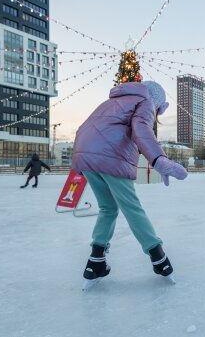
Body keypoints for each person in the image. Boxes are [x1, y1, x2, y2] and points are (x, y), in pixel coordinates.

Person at [72, 80, 188, 289]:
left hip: (85, 155)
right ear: (157, 102)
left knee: (108, 208)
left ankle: (95, 262)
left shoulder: (110, 102)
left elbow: (84, 127)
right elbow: (141, 129)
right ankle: (159, 259)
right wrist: (158, 160)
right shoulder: (145, 101)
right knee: (132, 208)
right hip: (111, 156)